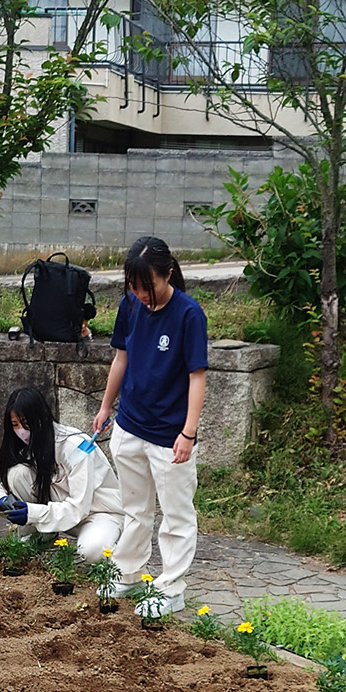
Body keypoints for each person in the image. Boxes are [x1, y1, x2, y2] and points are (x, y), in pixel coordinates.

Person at [92, 236, 207, 613]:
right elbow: (121, 359)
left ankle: (171, 589)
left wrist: (188, 432)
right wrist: (106, 406)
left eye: (149, 286)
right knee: (135, 509)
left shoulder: (189, 315)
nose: (142, 294)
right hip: (129, 427)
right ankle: (127, 573)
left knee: (176, 516)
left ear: (168, 274)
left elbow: (197, 377)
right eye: (134, 286)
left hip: (170, 436)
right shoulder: (130, 305)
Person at [0, 386, 124, 563]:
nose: (21, 431)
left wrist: (33, 513)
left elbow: (78, 508)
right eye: (15, 425)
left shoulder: (75, 446)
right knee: (16, 473)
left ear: (41, 418)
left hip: (99, 514)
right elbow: (4, 485)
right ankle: (38, 539)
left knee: (92, 551)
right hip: (60, 515)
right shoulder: (28, 447)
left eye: (26, 423)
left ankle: (124, 561)